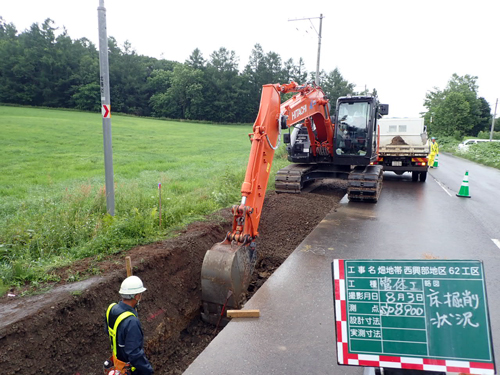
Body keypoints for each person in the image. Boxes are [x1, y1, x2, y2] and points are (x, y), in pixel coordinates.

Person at [105, 275, 154, 375]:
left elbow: (108, 330)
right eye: (140, 294)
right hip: (127, 369)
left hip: (117, 363)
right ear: (136, 296)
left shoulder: (111, 308)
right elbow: (134, 354)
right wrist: (148, 371)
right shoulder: (131, 322)